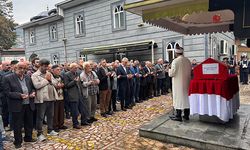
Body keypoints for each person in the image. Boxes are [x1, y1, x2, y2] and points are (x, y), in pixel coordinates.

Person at [4, 62, 36, 148]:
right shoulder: (8, 78)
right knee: (17, 125)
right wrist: (19, 95)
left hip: (29, 103)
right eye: (20, 68)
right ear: (15, 68)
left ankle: (28, 137)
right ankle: (18, 141)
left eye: (24, 68)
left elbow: (32, 88)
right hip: (17, 105)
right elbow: (7, 93)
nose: (22, 70)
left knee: (29, 122)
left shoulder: (27, 77)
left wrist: (33, 93)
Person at [31, 59, 58, 142]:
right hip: (41, 99)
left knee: (51, 115)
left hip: (51, 98)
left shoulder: (49, 73)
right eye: (45, 66)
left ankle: (50, 130)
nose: (46, 68)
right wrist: (47, 80)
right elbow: (37, 86)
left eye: (47, 66)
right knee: (40, 117)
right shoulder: (35, 75)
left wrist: (50, 80)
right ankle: (39, 134)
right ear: (40, 65)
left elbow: (55, 83)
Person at [169, 46, 192, 121]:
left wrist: (169, 70)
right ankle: (186, 115)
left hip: (178, 83)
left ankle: (178, 115)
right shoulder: (187, 60)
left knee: (178, 98)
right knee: (186, 98)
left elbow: (172, 73)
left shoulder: (175, 61)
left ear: (176, 53)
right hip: (187, 82)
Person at [64, 63, 90, 129]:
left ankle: (83, 121)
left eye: (77, 68)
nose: (76, 69)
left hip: (79, 94)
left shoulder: (77, 73)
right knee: (74, 111)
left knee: (83, 109)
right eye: (75, 68)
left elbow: (79, 83)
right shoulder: (67, 75)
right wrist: (74, 81)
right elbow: (66, 85)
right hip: (72, 95)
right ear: (71, 68)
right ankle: (75, 124)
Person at [51, 65, 68, 132]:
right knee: (55, 112)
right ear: (53, 70)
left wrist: (62, 85)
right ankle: (55, 125)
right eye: (57, 70)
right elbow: (53, 84)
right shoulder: (51, 76)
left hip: (61, 95)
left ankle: (61, 124)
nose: (59, 71)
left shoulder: (60, 76)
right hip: (55, 96)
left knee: (61, 111)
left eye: (59, 70)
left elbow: (63, 83)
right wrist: (58, 85)